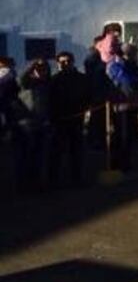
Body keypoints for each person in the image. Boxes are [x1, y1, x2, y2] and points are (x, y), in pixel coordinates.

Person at [49, 52, 90, 187]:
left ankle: (77, 178)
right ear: (58, 64)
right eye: (62, 62)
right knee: (56, 151)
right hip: (59, 120)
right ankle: (54, 180)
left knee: (76, 151)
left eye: (68, 61)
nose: (65, 64)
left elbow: (87, 96)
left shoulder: (81, 79)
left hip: (76, 119)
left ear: (72, 62)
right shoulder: (54, 80)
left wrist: (86, 111)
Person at [17, 58, 53, 191]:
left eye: (44, 69)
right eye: (38, 69)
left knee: (40, 156)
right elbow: (22, 77)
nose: (41, 71)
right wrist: (33, 64)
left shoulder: (47, 84)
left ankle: (37, 183)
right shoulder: (26, 83)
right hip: (27, 125)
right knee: (26, 155)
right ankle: (24, 184)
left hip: (42, 124)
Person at [107, 42, 138, 173]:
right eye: (134, 52)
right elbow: (126, 80)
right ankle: (118, 162)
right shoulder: (115, 64)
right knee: (121, 135)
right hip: (120, 105)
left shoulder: (133, 65)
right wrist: (136, 78)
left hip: (133, 104)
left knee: (131, 135)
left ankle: (126, 161)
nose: (136, 55)